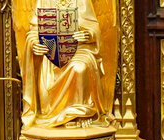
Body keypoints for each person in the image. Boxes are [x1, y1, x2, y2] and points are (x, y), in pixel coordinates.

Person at [18, 0, 108, 128]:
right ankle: (52, 113)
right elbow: (33, 32)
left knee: (80, 68)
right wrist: (34, 44)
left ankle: (81, 113)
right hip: (52, 54)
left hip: (79, 50)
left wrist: (89, 35)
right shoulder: (44, 1)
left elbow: (95, 30)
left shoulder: (82, 1)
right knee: (48, 83)